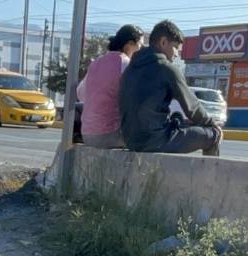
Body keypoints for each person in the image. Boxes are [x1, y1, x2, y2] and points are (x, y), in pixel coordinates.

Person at [119, 20, 222, 156]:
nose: (176, 54)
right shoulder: (166, 68)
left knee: (182, 126)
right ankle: (208, 176)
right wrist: (212, 125)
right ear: (163, 42)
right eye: (175, 48)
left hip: (130, 140)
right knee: (213, 135)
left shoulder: (130, 69)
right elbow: (193, 108)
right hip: (156, 140)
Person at [76, 24, 143, 149]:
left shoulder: (96, 62)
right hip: (110, 134)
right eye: (140, 45)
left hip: (87, 134)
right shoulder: (126, 64)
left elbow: (80, 94)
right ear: (129, 44)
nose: (141, 49)